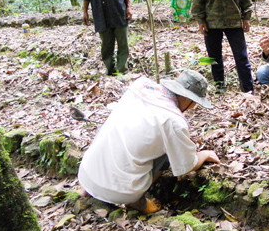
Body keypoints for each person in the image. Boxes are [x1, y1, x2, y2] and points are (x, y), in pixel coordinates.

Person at [77, 69, 220, 214]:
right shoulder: (173, 121)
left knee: (112, 130)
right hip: (122, 192)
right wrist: (205, 154)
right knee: (168, 151)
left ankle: (87, 189)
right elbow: (188, 165)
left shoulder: (140, 87)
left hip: (86, 174)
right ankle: (136, 201)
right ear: (190, 99)